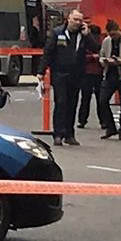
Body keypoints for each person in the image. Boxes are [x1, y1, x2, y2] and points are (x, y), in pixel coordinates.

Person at [41, 9, 92, 146]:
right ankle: (58, 133)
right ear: (68, 19)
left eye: (80, 20)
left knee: (72, 104)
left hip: (76, 74)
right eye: (75, 19)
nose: (77, 22)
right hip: (60, 73)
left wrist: (87, 35)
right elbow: (48, 52)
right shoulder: (57, 33)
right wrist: (41, 71)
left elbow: (94, 48)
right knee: (61, 102)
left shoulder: (83, 35)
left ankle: (69, 134)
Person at [98, 20, 121, 140]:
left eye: (114, 34)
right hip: (110, 74)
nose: (112, 37)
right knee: (102, 101)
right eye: (110, 35)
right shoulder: (107, 41)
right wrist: (105, 61)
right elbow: (101, 56)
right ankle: (110, 127)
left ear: (119, 30)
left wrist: (119, 61)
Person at [76, 24, 104, 130]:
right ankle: (103, 121)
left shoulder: (85, 41)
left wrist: (90, 57)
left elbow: (81, 56)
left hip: (87, 72)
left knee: (85, 98)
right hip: (98, 73)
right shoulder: (101, 41)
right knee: (99, 98)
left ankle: (82, 120)